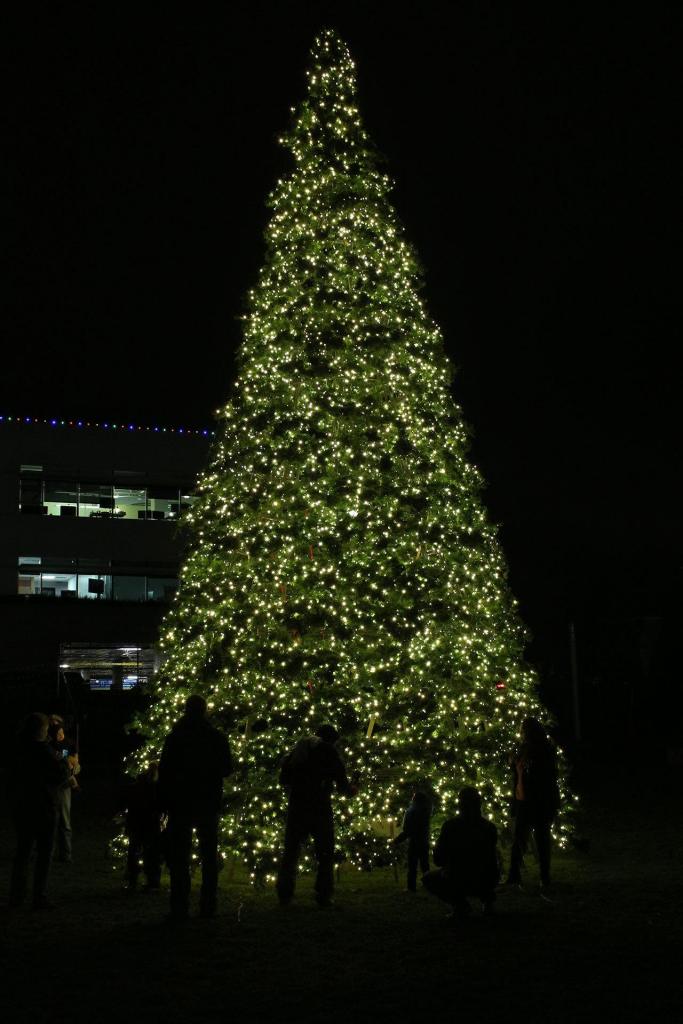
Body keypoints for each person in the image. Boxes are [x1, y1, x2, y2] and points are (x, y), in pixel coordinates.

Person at [158, 695, 233, 921]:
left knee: (180, 856)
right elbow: (227, 768)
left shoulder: (175, 738)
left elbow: (165, 771)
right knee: (209, 855)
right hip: (207, 802)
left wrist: (165, 799)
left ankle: (179, 907)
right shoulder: (216, 737)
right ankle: (208, 906)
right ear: (205, 711)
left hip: (180, 803)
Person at [276, 724, 357, 908]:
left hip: (297, 806)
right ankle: (324, 894)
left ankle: (284, 894)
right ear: (331, 739)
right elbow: (343, 786)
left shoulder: (298, 750)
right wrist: (352, 789)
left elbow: (283, 779)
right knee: (325, 853)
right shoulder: (329, 753)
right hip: (320, 808)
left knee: (291, 852)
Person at [8, 712, 69, 909]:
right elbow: (61, 773)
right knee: (44, 853)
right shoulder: (44, 751)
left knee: (23, 852)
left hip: (23, 806)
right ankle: (38, 895)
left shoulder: (19, 749)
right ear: (42, 730)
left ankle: (17, 896)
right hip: (45, 807)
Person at [422, 787, 499, 919]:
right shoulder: (489, 827)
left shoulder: (451, 826)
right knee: (484, 868)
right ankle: (487, 901)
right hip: (488, 877)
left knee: (428, 878)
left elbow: (438, 859)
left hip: (459, 877)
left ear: (460, 804)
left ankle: (460, 905)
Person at [506, 717, 561, 893]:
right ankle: (514, 876)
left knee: (541, 839)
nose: (521, 733)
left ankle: (544, 877)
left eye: (523, 729)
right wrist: (514, 764)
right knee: (520, 839)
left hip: (538, 801)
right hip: (524, 800)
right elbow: (518, 770)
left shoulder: (543, 750)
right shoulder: (524, 749)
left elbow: (547, 777)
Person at [123, 761, 163, 891]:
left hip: (138, 821)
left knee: (136, 850)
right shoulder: (156, 787)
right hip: (148, 822)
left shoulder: (139, 785)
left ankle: (133, 880)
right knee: (150, 852)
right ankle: (151, 881)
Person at [47, 714, 80, 864]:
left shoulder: (69, 744)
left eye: (60, 729)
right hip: (53, 784)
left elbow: (75, 764)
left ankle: (66, 854)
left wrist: (72, 766)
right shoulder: (48, 745)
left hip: (64, 784)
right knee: (50, 819)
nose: (59, 734)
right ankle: (48, 852)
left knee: (65, 821)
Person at [393, 790, 431, 892]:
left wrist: (396, 840)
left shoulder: (412, 811)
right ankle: (429, 885)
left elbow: (408, 830)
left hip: (415, 841)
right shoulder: (426, 811)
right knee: (425, 864)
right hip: (424, 840)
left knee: (412, 865)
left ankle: (411, 887)